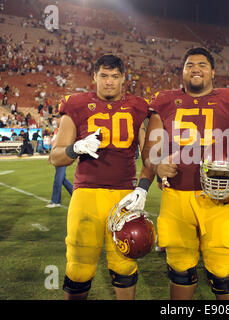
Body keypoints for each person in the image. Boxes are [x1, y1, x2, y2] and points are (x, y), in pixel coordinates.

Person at [142, 47, 229, 300]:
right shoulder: (164, 101)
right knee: (180, 270)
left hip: (219, 197)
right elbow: (150, 150)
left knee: (224, 274)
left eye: (202, 64)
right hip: (176, 197)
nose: (196, 69)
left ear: (213, 71)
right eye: (190, 64)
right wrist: (158, 165)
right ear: (182, 71)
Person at [49, 54, 154, 300]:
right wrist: (76, 148)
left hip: (124, 196)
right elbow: (56, 157)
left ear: (123, 79)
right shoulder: (76, 104)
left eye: (115, 77)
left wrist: (143, 188)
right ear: (94, 77)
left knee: (125, 264)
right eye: (104, 76)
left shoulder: (138, 106)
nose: (109, 82)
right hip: (87, 193)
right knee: (79, 266)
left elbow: (150, 156)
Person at [47, 115, 73, 208]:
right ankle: (75, 194)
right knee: (62, 179)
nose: (55, 120)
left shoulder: (63, 130)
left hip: (62, 156)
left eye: (57, 118)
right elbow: (54, 144)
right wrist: (51, 155)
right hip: (57, 155)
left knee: (58, 179)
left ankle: (56, 201)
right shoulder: (57, 130)